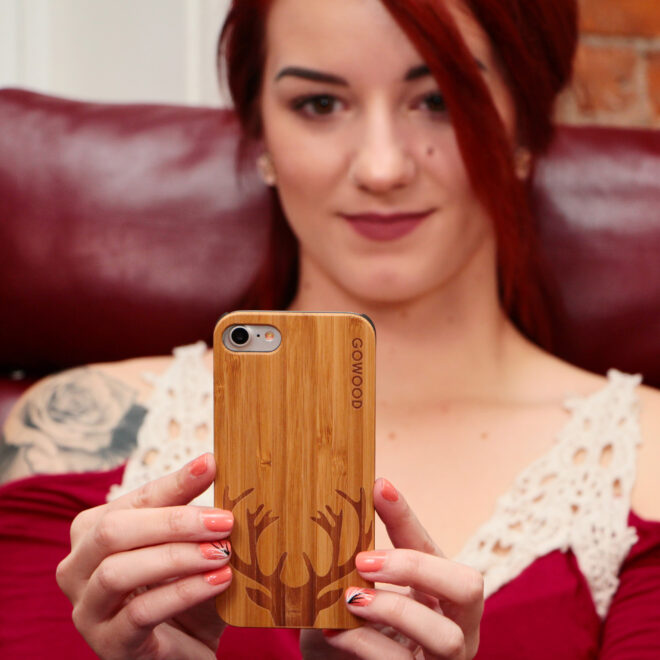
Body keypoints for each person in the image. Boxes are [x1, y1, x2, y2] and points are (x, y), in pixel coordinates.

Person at [2, 0, 660, 657]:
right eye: (320, 104)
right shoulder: (74, 431)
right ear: (261, 135)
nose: (381, 169)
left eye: (439, 100)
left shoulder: (644, 460)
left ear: (525, 130)